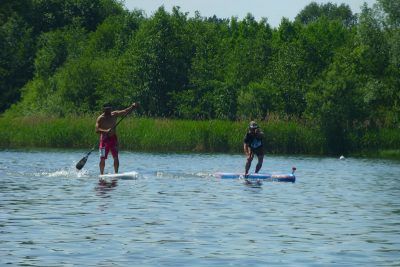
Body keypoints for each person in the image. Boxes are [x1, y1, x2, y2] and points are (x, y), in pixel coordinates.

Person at [95, 102, 139, 174]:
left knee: (116, 157)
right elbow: (97, 130)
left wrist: (132, 107)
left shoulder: (114, 114)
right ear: (103, 109)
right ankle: (101, 174)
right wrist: (106, 131)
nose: (108, 111)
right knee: (102, 158)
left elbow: (125, 111)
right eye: (107, 109)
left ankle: (116, 173)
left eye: (109, 109)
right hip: (104, 140)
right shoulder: (100, 118)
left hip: (113, 139)